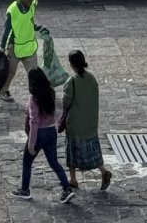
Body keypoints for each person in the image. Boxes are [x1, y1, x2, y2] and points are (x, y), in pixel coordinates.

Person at [12, 66, 73, 203]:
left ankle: (25, 190)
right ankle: (66, 188)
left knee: (27, 162)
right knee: (53, 162)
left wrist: (31, 143)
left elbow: (35, 122)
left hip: (39, 133)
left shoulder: (34, 99)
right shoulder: (50, 93)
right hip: (51, 131)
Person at [61, 50, 112, 192]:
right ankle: (103, 171)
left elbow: (66, 103)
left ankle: (73, 179)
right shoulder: (92, 77)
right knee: (93, 151)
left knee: (72, 152)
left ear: (71, 64)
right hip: (90, 122)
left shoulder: (71, 81)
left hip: (76, 124)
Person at [0, 0, 39, 99]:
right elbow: (7, 30)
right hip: (14, 47)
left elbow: (30, 20)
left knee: (34, 73)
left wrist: (37, 28)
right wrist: (2, 47)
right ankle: (3, 91)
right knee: (10, 73)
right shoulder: (13, 10)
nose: (31, 1)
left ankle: (36, 94)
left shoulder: (33, 4)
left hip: (29, 46)